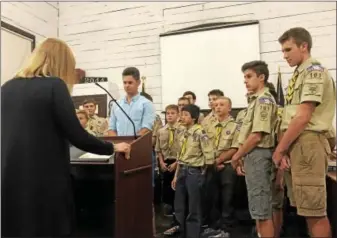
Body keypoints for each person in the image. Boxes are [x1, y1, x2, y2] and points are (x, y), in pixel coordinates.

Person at [1, 38, 130, 237]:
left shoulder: (6, 88)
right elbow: (77, 135)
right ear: (62, 63)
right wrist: (112, 148)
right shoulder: (54, 85)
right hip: (45, 182)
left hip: (10, 180)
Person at [273, 27, 336, 238]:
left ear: (304, 46)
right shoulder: (299, 73)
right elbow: (289, 115)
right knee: (305, 208)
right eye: (283, 51)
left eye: (288, 49)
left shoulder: (313, 71)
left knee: (314, 211)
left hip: (308, 141)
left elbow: (303, 116)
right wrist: (286, 148)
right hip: (297, 144)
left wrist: (279, 150)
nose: (285, 55)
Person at [231, 60, 277, 238]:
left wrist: (236, 156)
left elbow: (257, 135)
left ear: (262, 77)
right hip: (252, 154)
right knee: (257, 208)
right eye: (244, 78)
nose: (245, 81)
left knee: (262, 210)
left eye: (249, 76)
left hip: (259, 154)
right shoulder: (254, 101)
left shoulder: (264, 100)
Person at [171, 104, 214, 238]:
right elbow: (180, 156)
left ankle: (193, 234)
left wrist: (203, 173)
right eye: (181, 114)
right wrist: (175, 176)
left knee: (193, 206)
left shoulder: (200, 132)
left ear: (194, 118)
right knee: (179, 205)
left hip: (194, 171)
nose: (182, 117)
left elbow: (209, 156)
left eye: (185, 115)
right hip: (182, 170)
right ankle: (181, 231)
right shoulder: (182, 132)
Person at [202, 96, 239, 238]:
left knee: (227, 196)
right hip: (210, 164)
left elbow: (235, 147)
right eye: (216, 105)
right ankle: (213, 227)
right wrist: (212, 161)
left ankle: (227, 226)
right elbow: (204, 145)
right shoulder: (207, 125)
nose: (217, 107)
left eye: (221, 105)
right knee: (211, 196)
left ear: (229, 108)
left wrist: (219, 160)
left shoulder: (235, 126)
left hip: (227, 165)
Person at [107, 67, 155, 137]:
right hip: (119, 146)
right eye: (125, 83)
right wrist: (118, 143)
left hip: (137, 145)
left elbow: (146, 128)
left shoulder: (146, 104)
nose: (127, 85)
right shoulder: (116, 104)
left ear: (138, 83)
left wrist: (131, 144)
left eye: (130, 82)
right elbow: (111, 128)